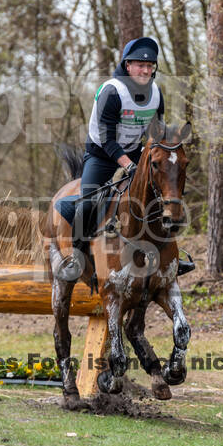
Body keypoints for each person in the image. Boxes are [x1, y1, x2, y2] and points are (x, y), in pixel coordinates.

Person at [56, 36, 165, 280]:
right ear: (128, 65)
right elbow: (106, 138)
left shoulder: (156, 94)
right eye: (140, 65)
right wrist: (128, 165)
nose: (146, 70)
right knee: (86, 204)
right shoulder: (112, 91)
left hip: (136, 150)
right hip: (102, 154)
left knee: (162, 195)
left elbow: (156, 132)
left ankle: (169, 258)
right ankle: (77, 257)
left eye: (150, 66)